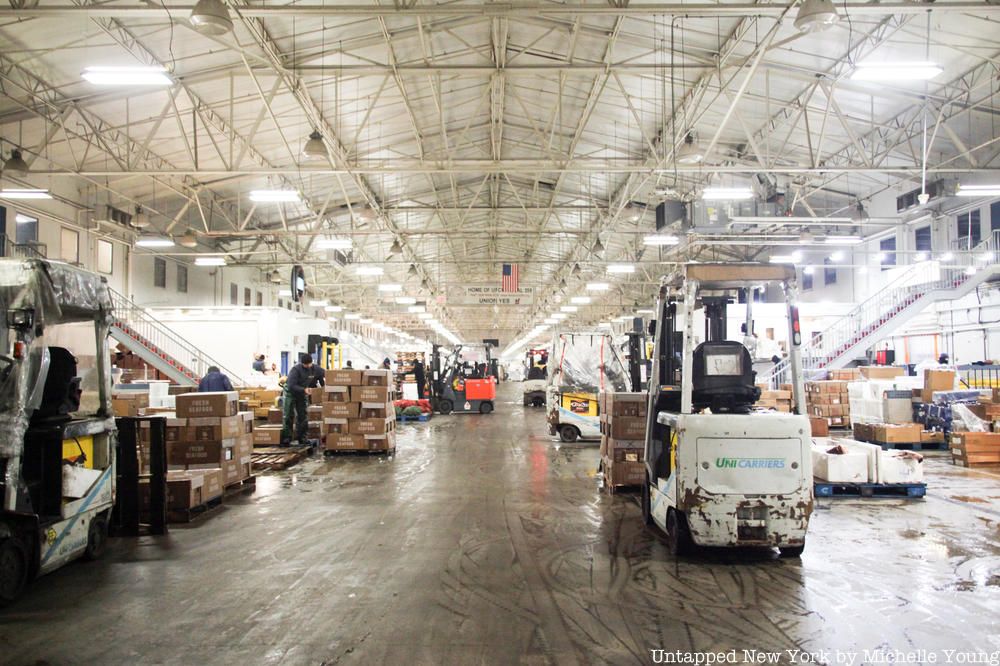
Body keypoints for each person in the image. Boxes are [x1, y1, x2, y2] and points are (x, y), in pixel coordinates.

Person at [282, 353, 322, 445]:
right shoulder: (295, 370)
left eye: (309, 364)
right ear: (302, 363)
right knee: (288, 415)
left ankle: (302, 438)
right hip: (291, 393)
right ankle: (287, 438)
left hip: (302, 393)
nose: (307, 366)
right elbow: (291, 385)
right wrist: (304, 389)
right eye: (305, 365)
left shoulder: (315, 369)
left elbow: (324, 374)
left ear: (312, 362)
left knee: (303, 416)